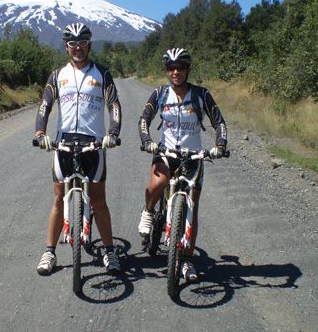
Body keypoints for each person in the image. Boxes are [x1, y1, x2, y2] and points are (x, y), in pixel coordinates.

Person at [34, 23, 122, 275]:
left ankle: (109, 251)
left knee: (99, 201)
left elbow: (114, 104)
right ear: (66, 47)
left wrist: (113, 133)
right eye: (72, 43)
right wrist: (40, 133)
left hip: (93, 143)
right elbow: (44, 105)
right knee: (58, 199)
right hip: (63, 143)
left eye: (82, 42)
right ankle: (49, 252)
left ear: (89, 45)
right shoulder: (57, 75)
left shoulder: (102, 74)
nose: (78, 47)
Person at [137, 47, 227, 281]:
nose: (175, 72)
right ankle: (148, 211)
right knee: (158, 184)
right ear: (167, 70)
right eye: (171, 68)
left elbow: (219, 122)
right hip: (166, 152)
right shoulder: (159, 93)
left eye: (180, 67)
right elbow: (144, 119)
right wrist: (147, 141)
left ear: (188, 70)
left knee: (192, 207)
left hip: (193, 155)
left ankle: (186, 260)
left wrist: (220, 144)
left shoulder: (201, 95)